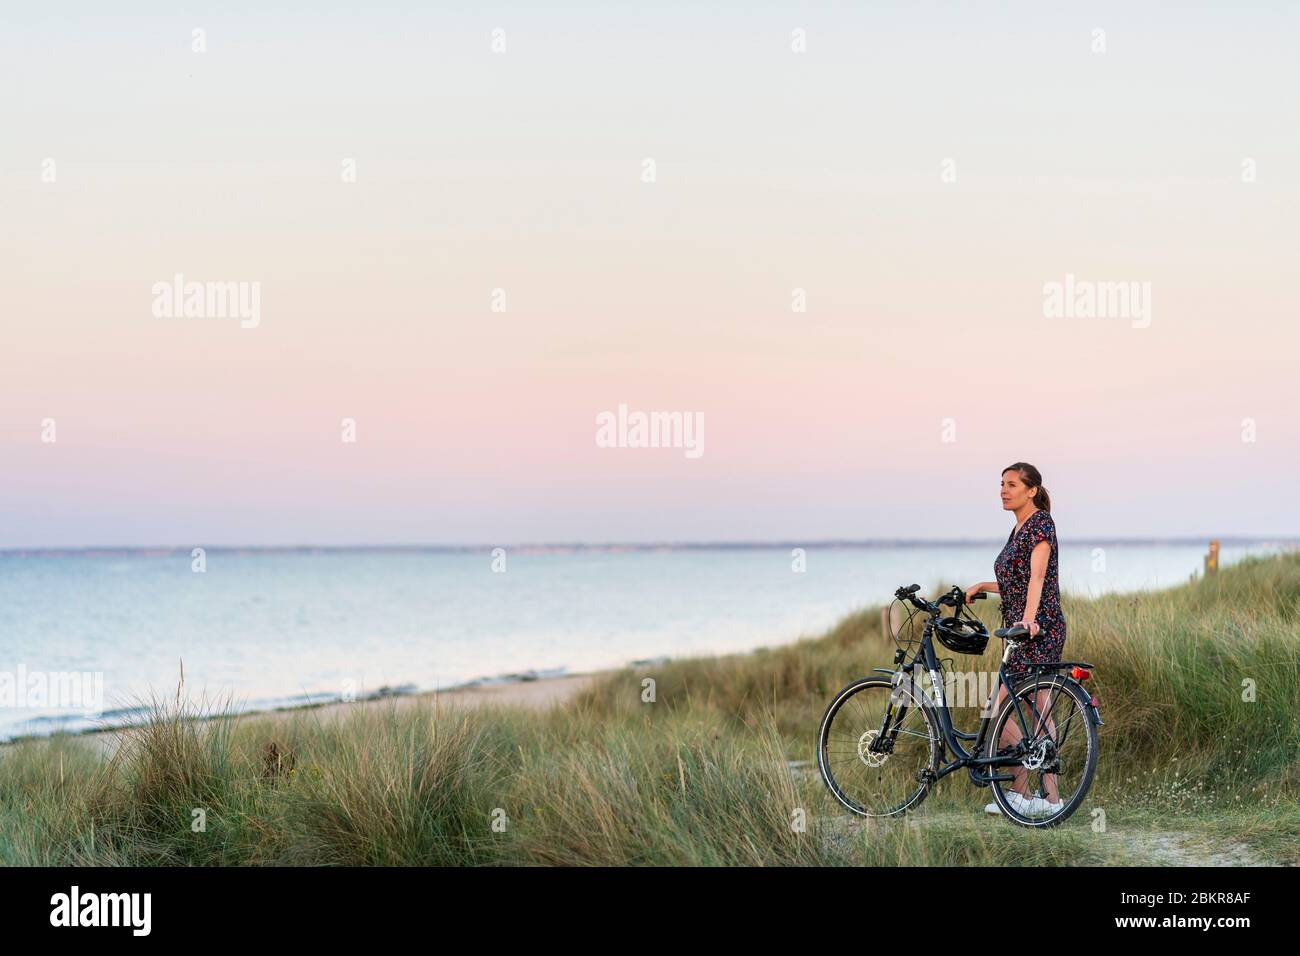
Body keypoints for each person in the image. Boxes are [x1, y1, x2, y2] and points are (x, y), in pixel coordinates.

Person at [965, 462, 1067, 816]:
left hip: (1040, 629)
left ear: (1031, 490)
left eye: (1011, 484)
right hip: (1020, 630)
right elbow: (1017, 581)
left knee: (1024, 708)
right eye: (1001, 484)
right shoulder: (1018, 529)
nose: (1003, 490)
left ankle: (1048, 800)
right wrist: (985, 585)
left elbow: (1037, 579)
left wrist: (1029, 620)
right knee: (1022, 711)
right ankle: (1028, 797)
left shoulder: (1041, 524)